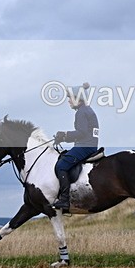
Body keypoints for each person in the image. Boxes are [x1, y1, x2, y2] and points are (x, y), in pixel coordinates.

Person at [52, 83, 100, 211]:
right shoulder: (87, 110)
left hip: (85, 147)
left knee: (61, 165)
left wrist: (64, 135)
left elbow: (82, 133)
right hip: (89, 145)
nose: (68, 101)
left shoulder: (81, 112)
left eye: (70, 98)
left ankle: (64, 199)